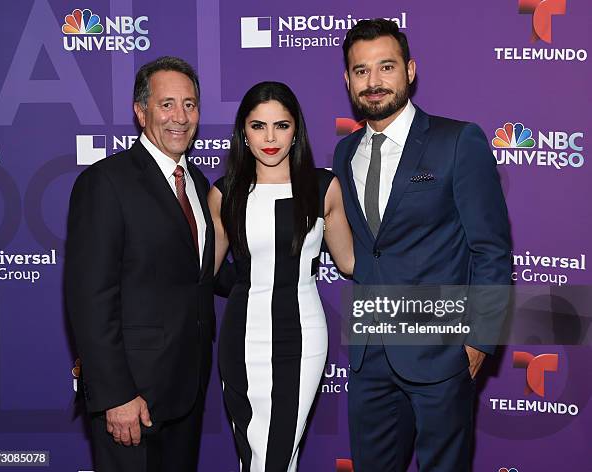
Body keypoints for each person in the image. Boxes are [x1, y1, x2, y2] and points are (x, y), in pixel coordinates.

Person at [333, 19, 512, 472]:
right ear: (348, 79)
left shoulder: (457, 141)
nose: (373, 83)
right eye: (360, 71)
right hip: (369, 353)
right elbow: (369, 251)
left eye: (386, 67)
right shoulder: (344, 152)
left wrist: (477, 342)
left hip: (440, 354)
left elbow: (491, 250)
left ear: (410, 70)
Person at [65, 56, 215, 471]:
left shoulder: (199, 185)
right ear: (140, 111)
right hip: (132, 397)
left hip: (187, 390)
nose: (180, 117)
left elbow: (199, 276)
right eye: (167, 104)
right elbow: (90, 298)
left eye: (190, 104)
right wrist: (115, 395)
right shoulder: (105, 183)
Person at [208, 81, 354, 472]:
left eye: (281, 126)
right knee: (253, 453)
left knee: (274, 456)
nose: (270, 138)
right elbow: (202, 273)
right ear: (243, 132)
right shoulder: (225, 193)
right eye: (258, 126)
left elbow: (352, 263)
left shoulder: (323, 188)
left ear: (296, 130)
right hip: (241, 338)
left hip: (300, 337)